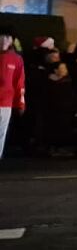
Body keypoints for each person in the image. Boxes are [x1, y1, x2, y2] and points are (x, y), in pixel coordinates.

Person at [40, 61, 77, 156]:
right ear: (56, 70)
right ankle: (54, 148)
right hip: (54, 110)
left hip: (67, 110)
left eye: (65, 68)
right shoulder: (50, 83)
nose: (65, 71)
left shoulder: (68, 81)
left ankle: (62, 148)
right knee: (55, 130)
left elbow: (73, 96)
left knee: (65, 129)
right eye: (62, 69)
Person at [0, 28, 26, 160]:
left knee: (1, 132)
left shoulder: (16, 59)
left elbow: (19, 82)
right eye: (2, 37)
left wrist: (20, 103)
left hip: (5, 102)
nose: (4, 40)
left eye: (7, 37)